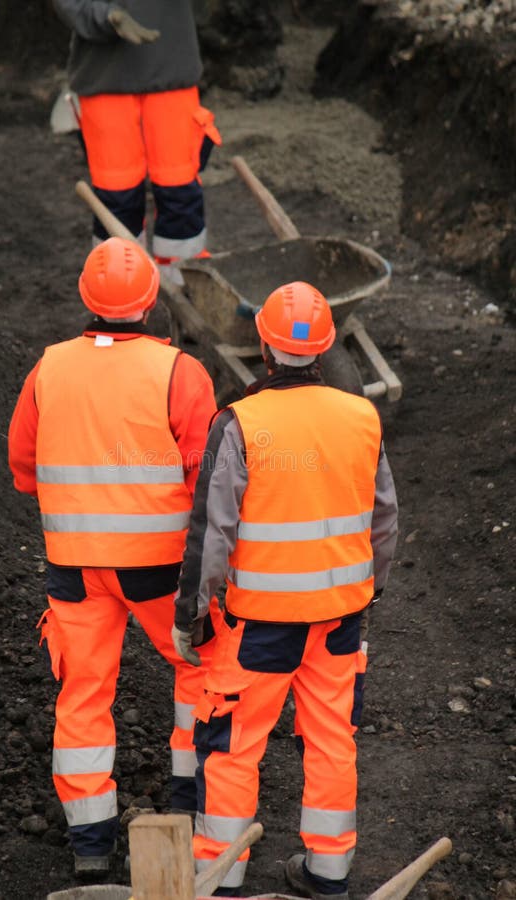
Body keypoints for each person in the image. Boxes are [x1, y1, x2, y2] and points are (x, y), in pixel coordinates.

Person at [172, 281, 399, 898]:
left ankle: (222, 877)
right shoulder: (361, 417)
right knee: (331, 738)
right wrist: (366, 592)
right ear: (324, 351)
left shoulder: (241, 422)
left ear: (264, 347)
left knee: (233, 744)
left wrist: (191, 618)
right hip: (339, 619)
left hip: (259, 626)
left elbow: (211, 532)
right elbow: (385, 520)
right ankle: (328, 874)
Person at [8, 236, 222, 877]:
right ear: (151, 300)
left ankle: (91, 849)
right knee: (197, 668)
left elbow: (23, 468)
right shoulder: (178, 372)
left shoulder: (49, 369)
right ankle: (189, 814)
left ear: (84, 296)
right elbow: (208, 479)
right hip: (157, 567)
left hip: (73, 567)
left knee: (83, 694)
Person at [52, 0, 221, 282]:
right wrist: (107, 17)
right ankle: (119, 295)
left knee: (179, 190)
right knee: (116, 198)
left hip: (169, 75)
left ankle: (186, 287)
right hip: (106, 80)